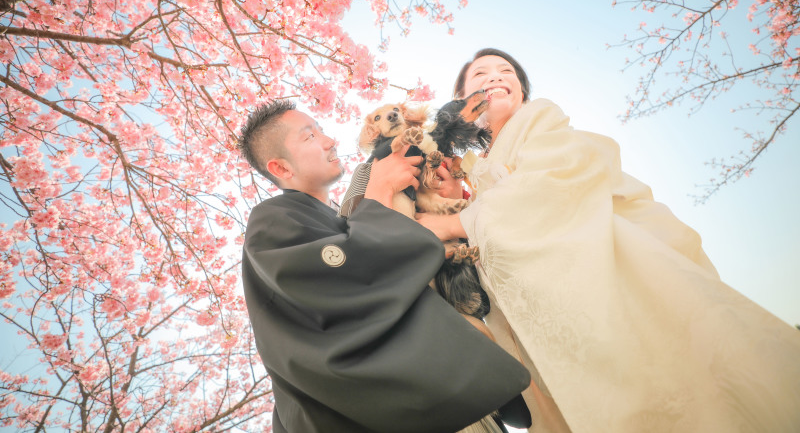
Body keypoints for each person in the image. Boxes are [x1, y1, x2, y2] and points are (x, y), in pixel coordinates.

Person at [417, 48, 800, 433]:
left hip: (603, 265)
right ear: (461, 101)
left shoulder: (540, 119)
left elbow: (557, 176)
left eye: (507, 72)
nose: (496, 77)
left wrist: (452, 225)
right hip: (539, 303)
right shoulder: (476, 169)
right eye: (480, 74)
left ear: (523, 90)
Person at [237, 100, 530, 433]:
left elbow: (402, 271)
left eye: (321, 130)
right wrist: (378, 192)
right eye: (309, 137)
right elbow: (341, 282)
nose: (329, 140)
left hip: (434, 398)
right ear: (281, 168)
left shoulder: (338, 217)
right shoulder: (271, 221)